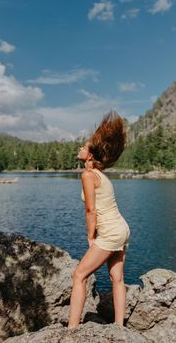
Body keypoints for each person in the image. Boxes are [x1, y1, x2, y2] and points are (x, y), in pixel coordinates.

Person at [68, 111, 130, 329]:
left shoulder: (88, 175)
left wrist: (91, 236)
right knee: (117, 279)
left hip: (111, 232)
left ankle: (72, 329)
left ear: (91, 155)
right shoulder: (101, 175)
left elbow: (90, 210)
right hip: (122, 229)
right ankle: (120, 327)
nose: (80, 149)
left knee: (79, 275)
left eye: (84, 147)